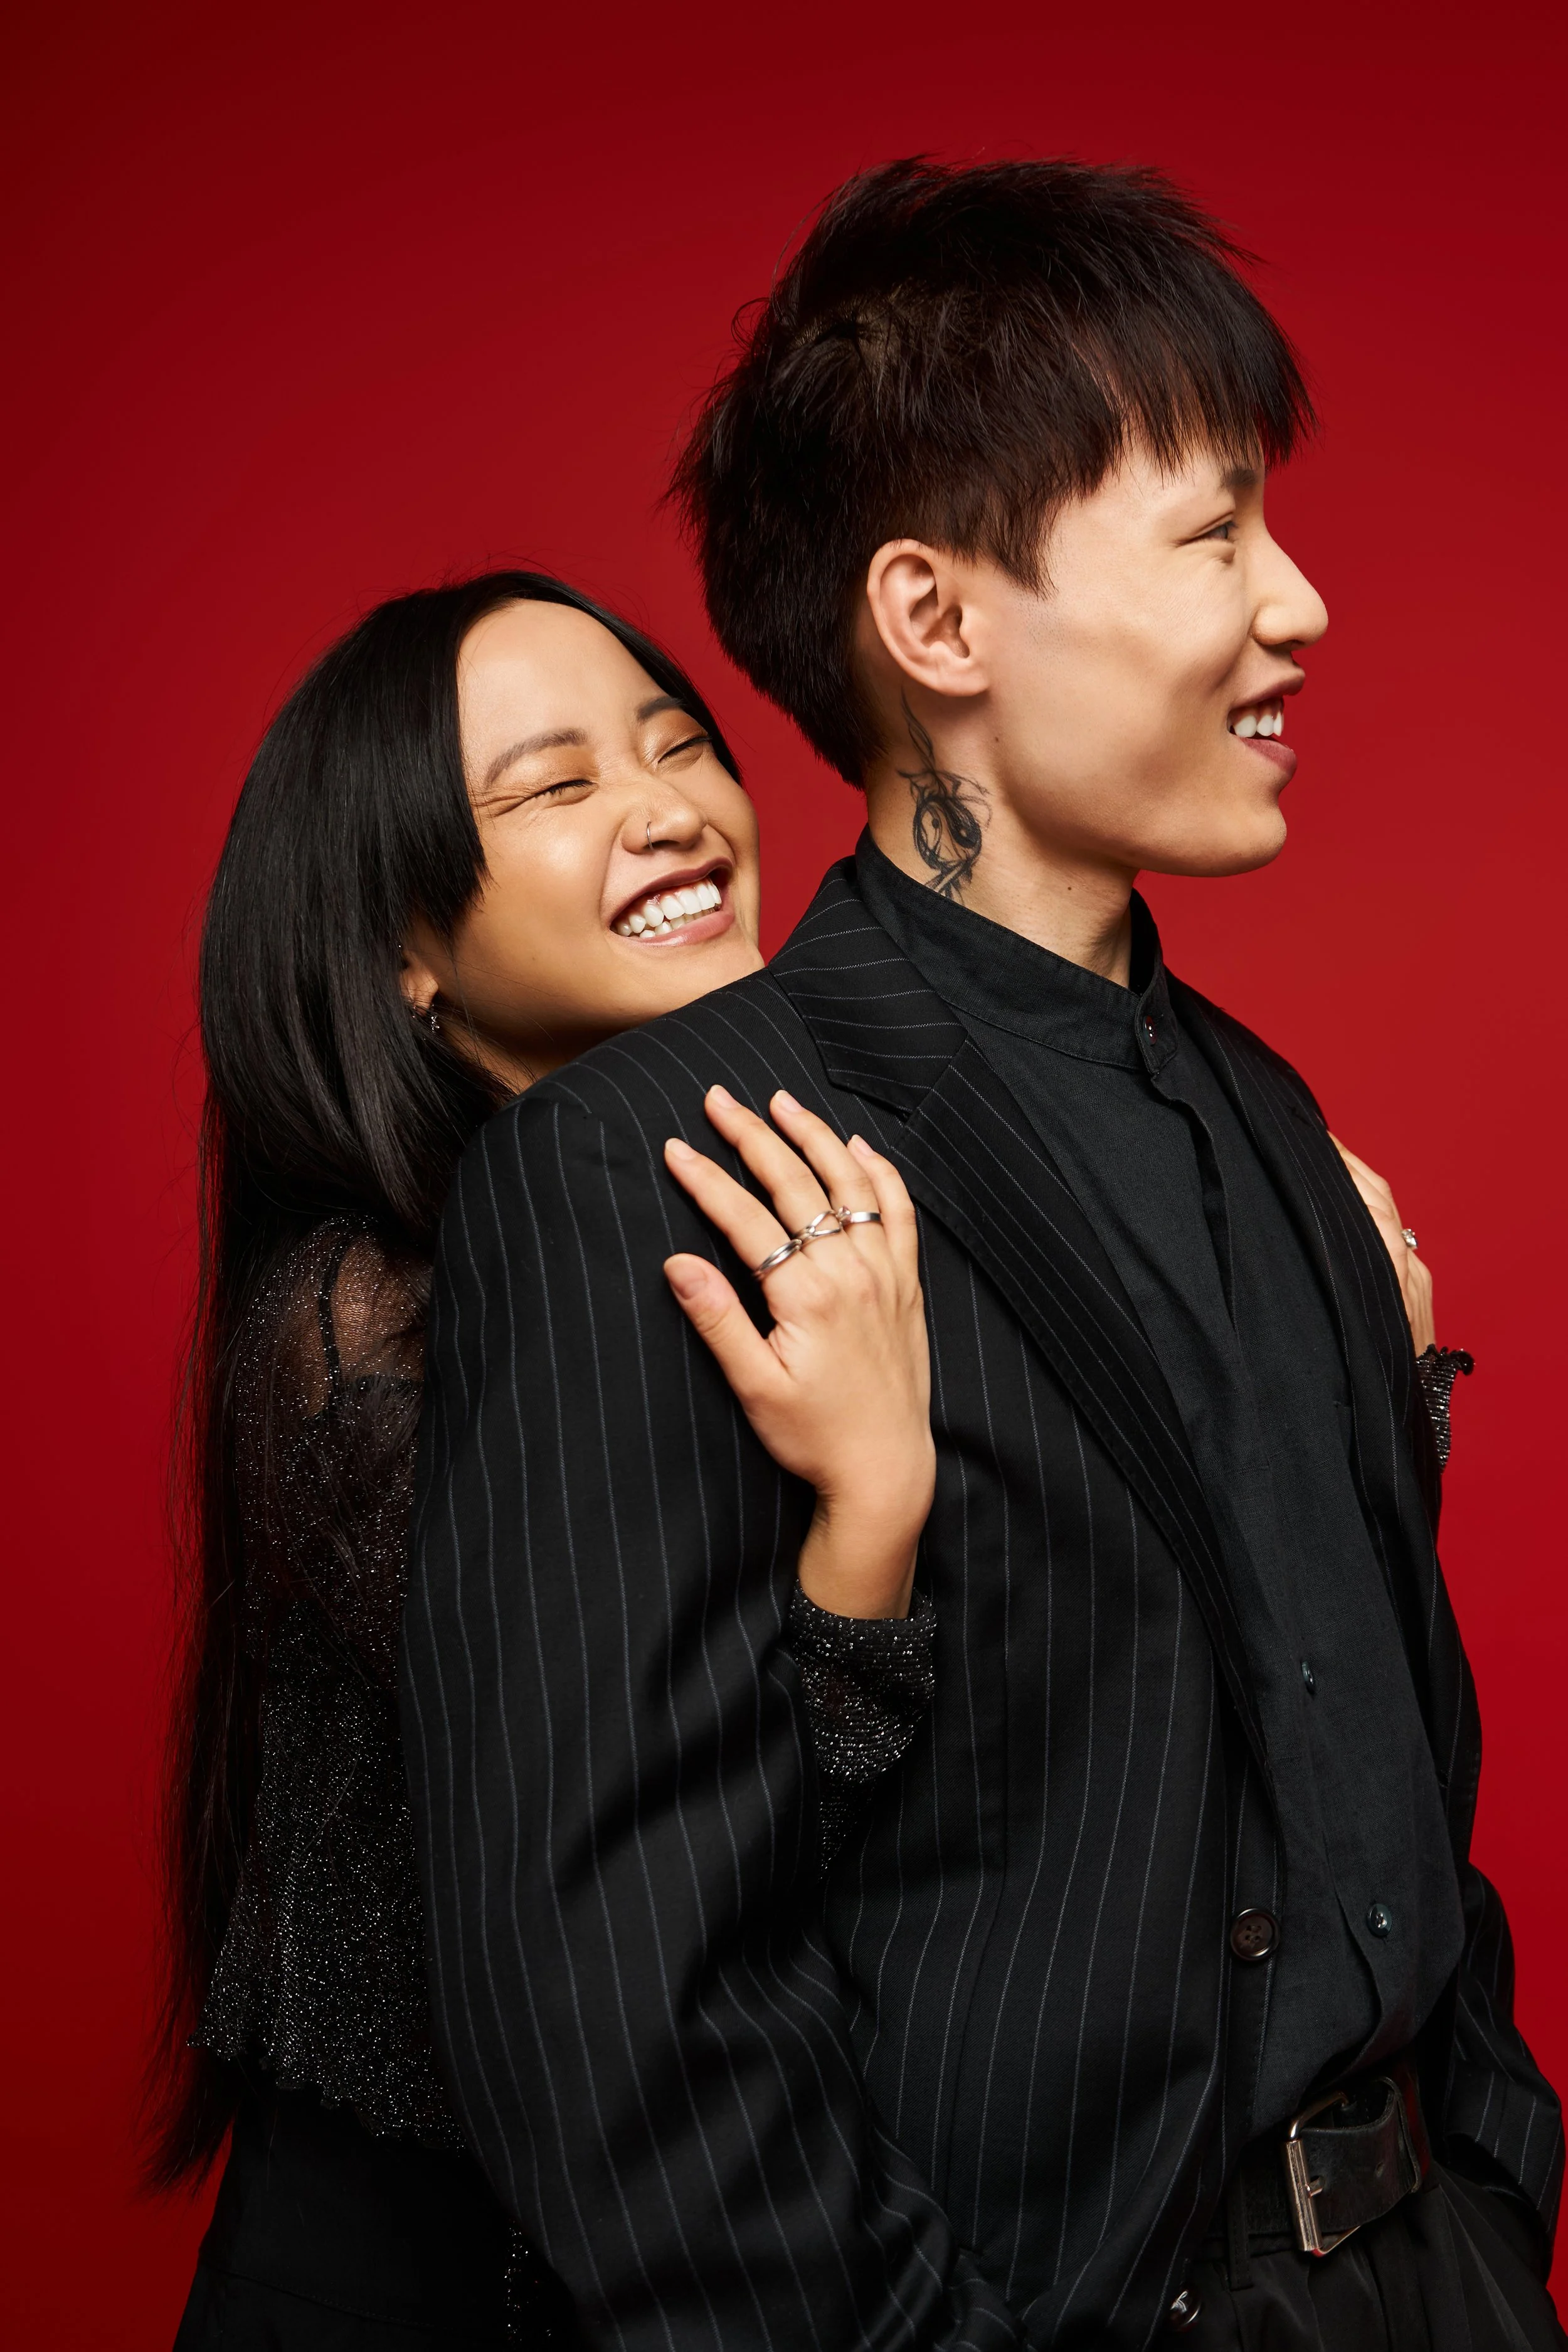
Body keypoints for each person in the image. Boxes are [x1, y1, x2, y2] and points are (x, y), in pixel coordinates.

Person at [401, 161, 1564, 2350]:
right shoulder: (646, 1168)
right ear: (935, 623)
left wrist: (1486, 2192)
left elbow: (1363, 1741)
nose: (1298, 602)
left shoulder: (1270, 1118)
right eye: (1213, 533)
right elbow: (621, 2010)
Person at [151, 570, 941, 2350]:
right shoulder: (366, 1325)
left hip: (713, 2243)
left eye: (678, 744)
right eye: (554, 786)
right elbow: (657, 1869)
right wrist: (870, 1526)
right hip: (419, 2276)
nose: (668, 809)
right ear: (404, 951)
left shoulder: (777, 1221)